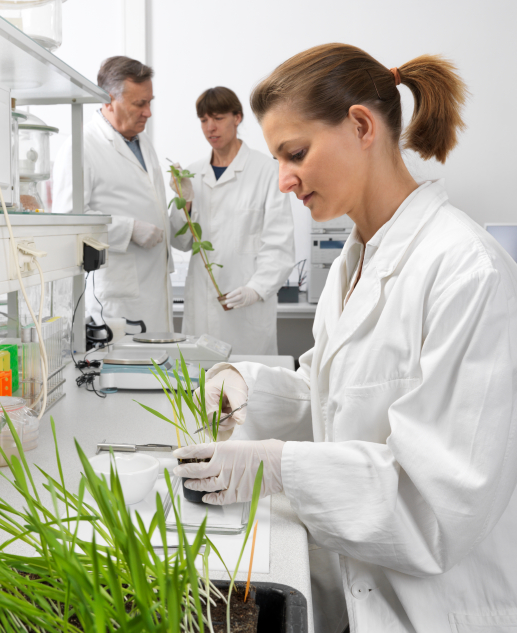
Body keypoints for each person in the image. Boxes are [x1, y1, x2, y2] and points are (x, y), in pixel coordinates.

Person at [175, 44, 517, 633]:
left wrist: (278, 468)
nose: (284, 180)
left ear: (361, 126)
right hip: (356, 591)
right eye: (278, 159)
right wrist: (247, 390)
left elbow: (437, 505)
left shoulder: (467, 270)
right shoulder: (354, 261)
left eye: (295, 154)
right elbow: (329, 394)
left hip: (435, 610)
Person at [53, 56, 173, 333]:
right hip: (118, 296)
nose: (148, 112)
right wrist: (128, 229)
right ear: (108, 100)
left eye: (150, 102)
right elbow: (67, 219)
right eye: (139, 104)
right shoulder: (81, 146)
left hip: (154, 286)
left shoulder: (143, 143)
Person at [170, 87, 294, 354]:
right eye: (204, 120)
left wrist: (255, 290)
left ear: (237, 117)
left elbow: (280, 246)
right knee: (200, 376)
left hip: (246, 313)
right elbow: (180, 242)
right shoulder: (193, 174)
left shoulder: (267, 171)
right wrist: (185, 201)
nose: (210, 128)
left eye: (218, 118)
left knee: (246, 377)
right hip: (202, 308)